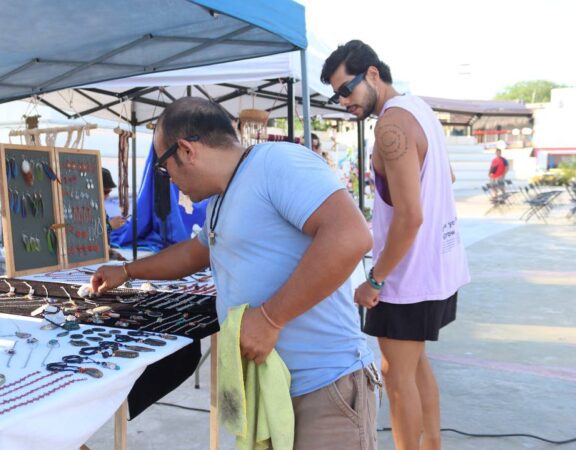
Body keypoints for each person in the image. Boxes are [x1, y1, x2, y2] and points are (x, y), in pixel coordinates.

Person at [91, 97, 379, 449]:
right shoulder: (220, 200)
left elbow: (351, 235)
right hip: (273, 390)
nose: (169, 180)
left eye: (165, 168)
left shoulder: (277, 163)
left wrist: (272, 318)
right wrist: (127, 270)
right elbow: (195, 253)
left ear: (186, 150)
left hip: (323, 388)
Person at [322, 40, 470, 450]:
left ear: (372, 74)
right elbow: (447, 178)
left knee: (396, 374)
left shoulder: (390, 126)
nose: (343, 101)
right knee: (415, 364)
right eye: (336, 95)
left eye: (346, 89)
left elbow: (410, 216)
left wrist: (375, 279)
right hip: (438, 265)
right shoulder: (418, 108)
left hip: (409, 274)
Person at [101, 167, 127, 261]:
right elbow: (89, 234)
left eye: (109, 191)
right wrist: (110, 226)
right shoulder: (84, 209)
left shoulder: (101, 208)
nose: (108, 195)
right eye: (105, 191)